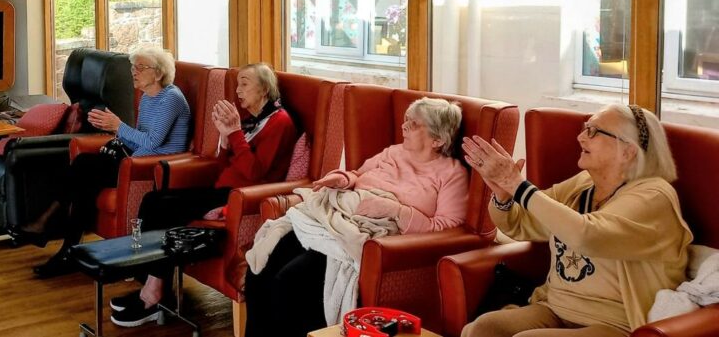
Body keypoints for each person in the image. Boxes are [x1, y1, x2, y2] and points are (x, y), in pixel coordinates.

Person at [242, 97, 469, 337]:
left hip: (368, 234)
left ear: (438, 139)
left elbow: (447, 228)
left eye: (414, 124)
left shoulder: (451, 174)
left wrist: (396, 211)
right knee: (260, 268)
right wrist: (342, 179)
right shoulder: (393, 152)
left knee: (289, 282)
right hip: (334, 218)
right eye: (405, 120)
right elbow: (357, 174)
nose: (404, 127)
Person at [460, 104, 692, 337]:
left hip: (616, 324)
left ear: (628, 151)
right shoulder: (583, 184)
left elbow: (587, 235)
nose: (580, 137)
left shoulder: (654, 196)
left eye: (593, 131)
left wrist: (517, 185)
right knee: (482, 328)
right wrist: (503, 195)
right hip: (554, 308)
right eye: (584, 128)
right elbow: (519, 224)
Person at [108, 63, 299, 328]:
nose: (237, 90)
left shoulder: (280, 122)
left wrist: (233, 134)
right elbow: (224, 169)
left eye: (244, 83)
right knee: (153, 200)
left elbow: (255, 173)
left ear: (265, 89)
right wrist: (225, 139)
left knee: (163, 209)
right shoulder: (251, 121)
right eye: (237, 84)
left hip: (242, 197)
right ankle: (150, 283)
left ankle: (152, 295)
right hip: (222, 188)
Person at [25, 46, 191, 278]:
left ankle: (53, 230)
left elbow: (153, 143)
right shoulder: (146, 98)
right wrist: (115, 133)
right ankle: (65, 246)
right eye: (133, 67)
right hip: (136, 160)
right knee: (83, 168)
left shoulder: (171, 99)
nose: (134, 72)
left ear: (159, 73)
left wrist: (119, 126)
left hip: (153, 167)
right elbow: (138, 141)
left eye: (140, 67)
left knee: (85, 170)